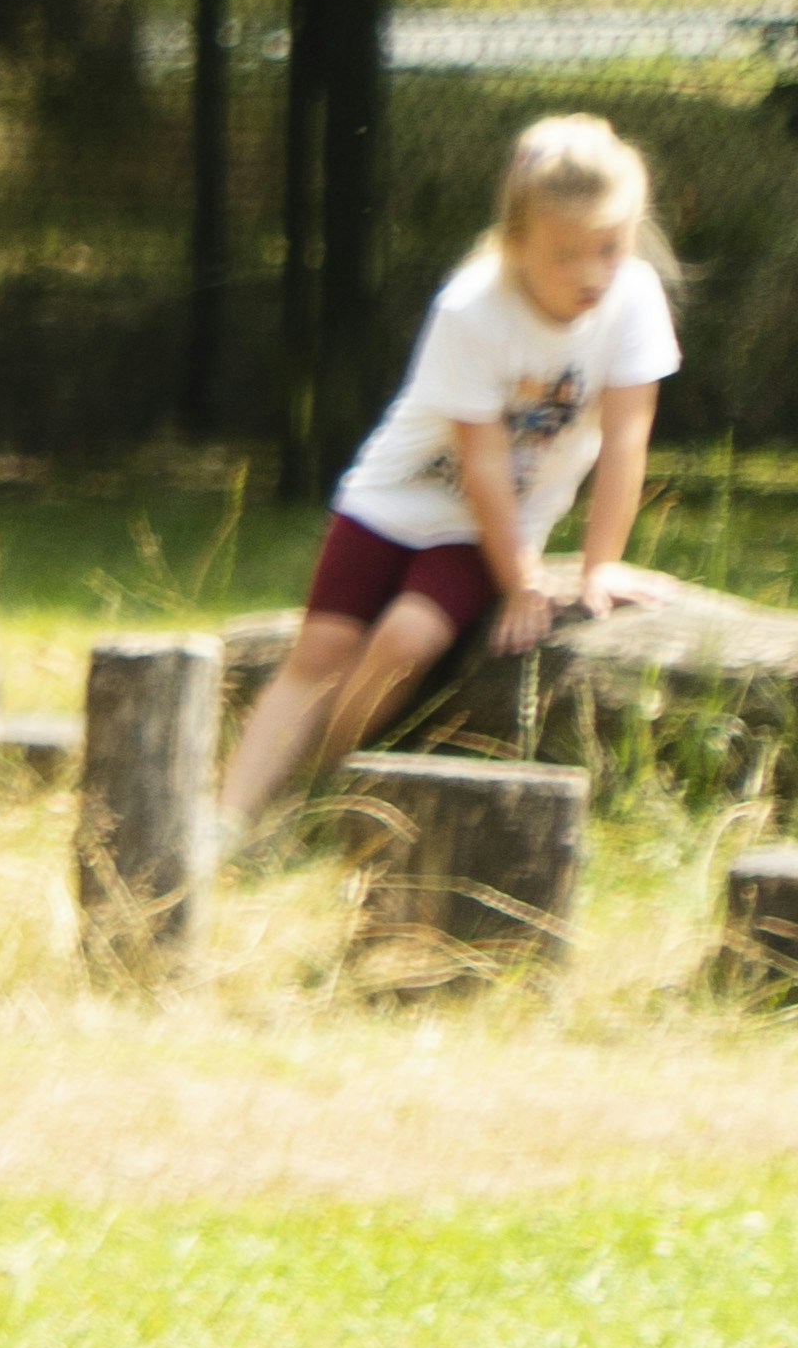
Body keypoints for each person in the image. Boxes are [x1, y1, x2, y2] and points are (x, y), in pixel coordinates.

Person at [217, 111, 679, 841]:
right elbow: (483, 459)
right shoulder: (471, 307)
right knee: (321, 652)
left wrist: (600, 565)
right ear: (517, 243)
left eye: (610, 248)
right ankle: (227, 821)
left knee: (408, 639)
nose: (593, 273)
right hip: (392, 500)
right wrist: (523, 577)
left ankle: (315, 798)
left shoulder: (635, 300)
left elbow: (627, 436)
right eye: (566, 255)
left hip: (477, 530)